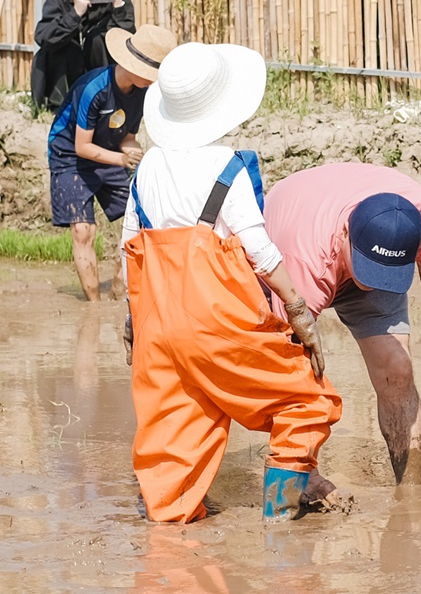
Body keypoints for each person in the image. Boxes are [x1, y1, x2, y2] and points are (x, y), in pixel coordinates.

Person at [121, 42, 340, 524]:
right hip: (219, 322)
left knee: (175, 430)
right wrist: (299, 312)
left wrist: (134, 323)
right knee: (306, 401)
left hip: (158, 324)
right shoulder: (227, 167)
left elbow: (129, 250)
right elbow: (260, 251)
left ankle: (169, 533)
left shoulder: (147, 167)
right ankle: (279, 515)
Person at [262, 163, 421, 487]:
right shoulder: (305, 258)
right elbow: (289, 374)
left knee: (397, 370)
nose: (371, 284)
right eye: (369, 271)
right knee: (298, 371)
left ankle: (410, 493)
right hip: (289, 255)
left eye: (386, 274)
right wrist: (307, 474)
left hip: (367, 242)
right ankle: (300, 475)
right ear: (345, 234)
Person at [46, 25, 176, 301]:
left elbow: (127, 138)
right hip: (70, 156)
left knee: (140, 219)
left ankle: (120, 290)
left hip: (109, 150)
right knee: (84, 230)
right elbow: (82, 147)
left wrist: (137, 155)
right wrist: (122, 159)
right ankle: (93, 308)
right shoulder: (93, 89)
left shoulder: (142, 93)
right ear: (133, 66)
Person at [33, 0, 136, 111]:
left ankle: (107, 99)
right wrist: (75, 13)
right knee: (64, 45)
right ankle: (60, 106)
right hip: (68, 71)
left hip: (101, 69)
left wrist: (118, 3)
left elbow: (127, 40)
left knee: (99, 38)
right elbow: (44, 38)